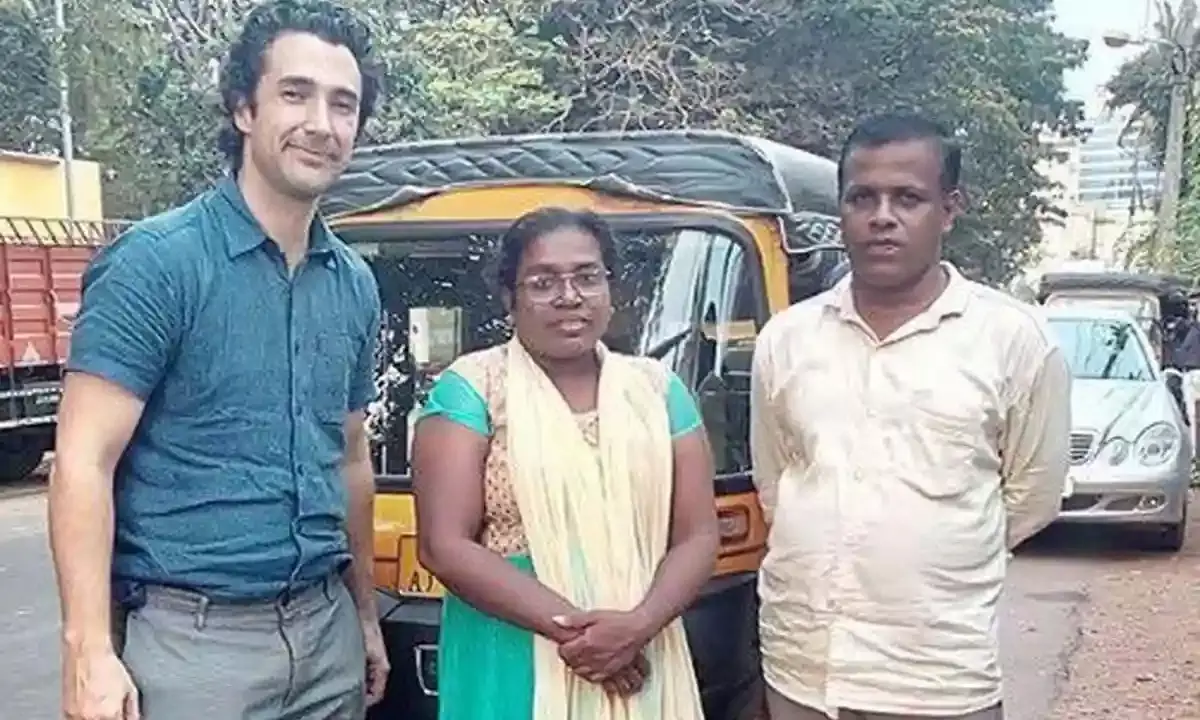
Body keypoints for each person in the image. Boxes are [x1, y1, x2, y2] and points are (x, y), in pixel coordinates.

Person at [48, 2, 388, 719]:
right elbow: (83, 461)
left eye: (343, 104)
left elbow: (351, 457)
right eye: (294, 93)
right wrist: (88, 651)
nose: (321, 123)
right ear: (243, 108)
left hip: (327, 637)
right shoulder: (157, 264)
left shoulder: (353, 283)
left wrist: (363, 616)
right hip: (194, 649)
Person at [749, 113, 1072, 720]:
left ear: (949, 210)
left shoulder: (1013, 339)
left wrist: (936, 551)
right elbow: (779, 482)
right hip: (804, 669)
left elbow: (1032, 496)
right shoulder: (786, 339)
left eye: (908, 198)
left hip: (937, 675)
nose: (882, 217)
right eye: (862, 198)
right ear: (841, 209)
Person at [412, 207, 719, 719]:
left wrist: (637, 626)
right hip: (516, 649)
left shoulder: (658, 391)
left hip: (642, 642)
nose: (569, 296)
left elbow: (698, 535)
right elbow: (443, 546)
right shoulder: (473, 389)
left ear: (610, 287)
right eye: (543, 282)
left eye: (587, 277)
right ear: (509, 297)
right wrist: (585, 638)